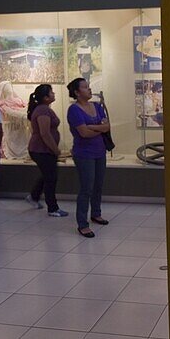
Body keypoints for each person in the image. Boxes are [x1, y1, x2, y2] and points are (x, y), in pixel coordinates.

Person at [66, 77, 111, 237]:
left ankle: (96, 213)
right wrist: (99, 128)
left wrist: (92, 127)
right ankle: (82, 223)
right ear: (77, 92)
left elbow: (107, 126)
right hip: (84, 154)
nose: (89, 89)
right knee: (86, 188)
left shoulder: (97, 106)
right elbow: (83, 133)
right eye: (85, 87)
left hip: (100, 151)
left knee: (98, 185)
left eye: (89, 86)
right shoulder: (74, 110)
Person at [26, 84, 69, 217]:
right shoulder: (43, 110)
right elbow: (44, 133)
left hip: (44, 150)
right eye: (51, 92)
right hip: (41, 150)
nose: (54, 94)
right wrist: (56, 150)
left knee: (48, 175)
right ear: (45, 97)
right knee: (51, 177)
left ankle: (34, 196)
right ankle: (53, 208)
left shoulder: (43, 109)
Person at [0, 80, 30, 159]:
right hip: (9, 126)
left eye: (10, 87)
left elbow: (24, 109)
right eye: (7, 88)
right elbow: (10, 112)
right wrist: (24, 115)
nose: (9, 90)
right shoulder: (2, 104)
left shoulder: (18, 101)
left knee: (22, 141)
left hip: (19, 126)